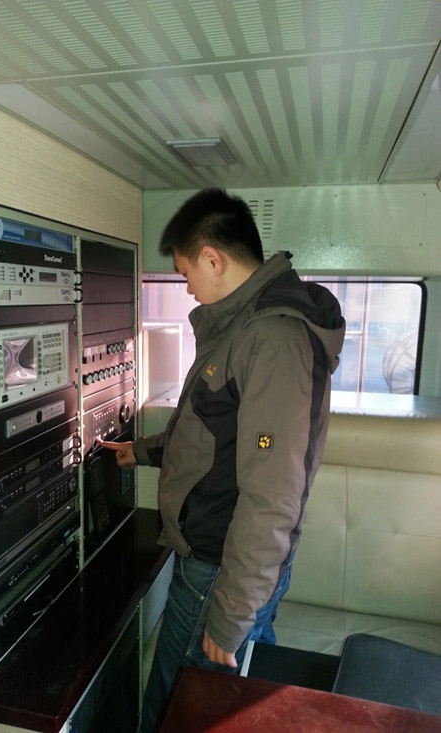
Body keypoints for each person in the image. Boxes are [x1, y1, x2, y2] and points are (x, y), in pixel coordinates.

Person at [100, 188, 345, 732]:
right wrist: (140, 451)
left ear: (213, 258)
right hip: (224, 564)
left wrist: (232, 613)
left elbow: (272, 494)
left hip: (220, 569)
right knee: (235, 698)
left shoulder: (272, 338)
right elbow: (209, 434)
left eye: (186, 272)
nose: (186, 287)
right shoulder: (241, 328)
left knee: (175, 707)